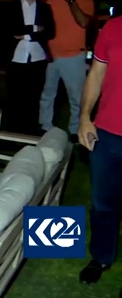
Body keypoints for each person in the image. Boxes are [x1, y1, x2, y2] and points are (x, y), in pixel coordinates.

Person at [77, 16, 122, 287]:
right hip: (107, 133)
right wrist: (84, 117)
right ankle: (102, 256)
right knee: (103, 204)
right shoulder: (113, 27)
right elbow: (95, 73)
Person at [39, 0, 94, 142]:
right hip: (51, 57)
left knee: (76, 97)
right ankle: (45, 126)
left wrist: (71, 2)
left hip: (74, 56)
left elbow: (83, 22)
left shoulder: (86, 1)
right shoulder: (51, 2)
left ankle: (74, 130)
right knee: (47, 94)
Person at [5, 0, 55, 135]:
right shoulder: (10, 7)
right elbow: (11, 30)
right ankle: (13, 134)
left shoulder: (44, 8)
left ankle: (31, 133)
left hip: (37, 58)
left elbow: (50, 32)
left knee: (34, 98)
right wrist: (35, 29)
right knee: (14, 98)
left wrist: (26, 33)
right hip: (15, 58)